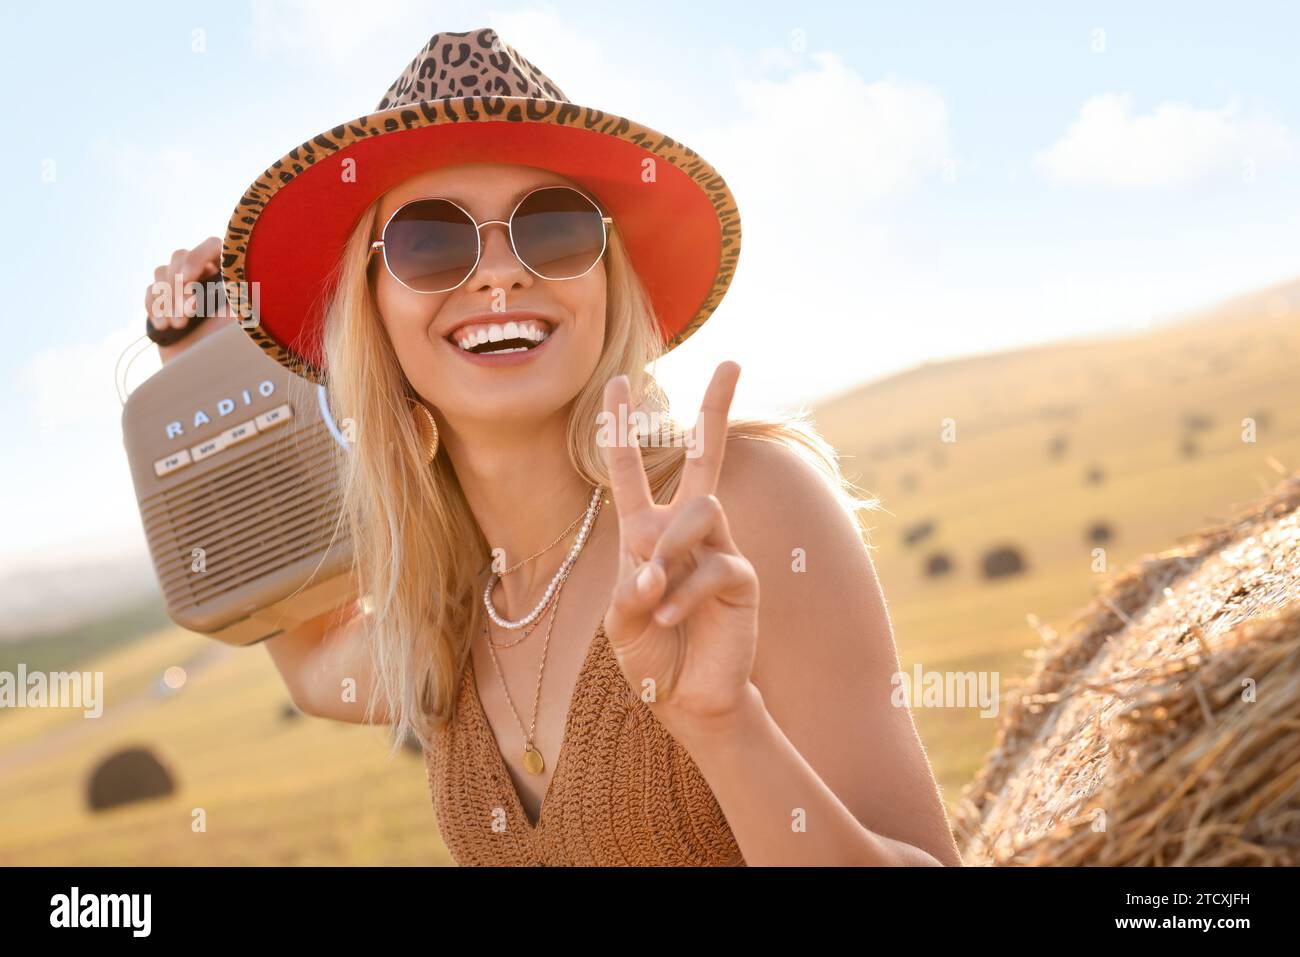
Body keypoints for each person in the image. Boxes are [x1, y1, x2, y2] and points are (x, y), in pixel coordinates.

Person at [146, 26, 960, 867]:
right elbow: (312, 661)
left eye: (555, 227)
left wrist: (725, 726)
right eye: (431, 241)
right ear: (372, 311)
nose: (499, 273)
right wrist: (200, 384)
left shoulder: (737, 511)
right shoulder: (447, 617)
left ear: (606, 276)